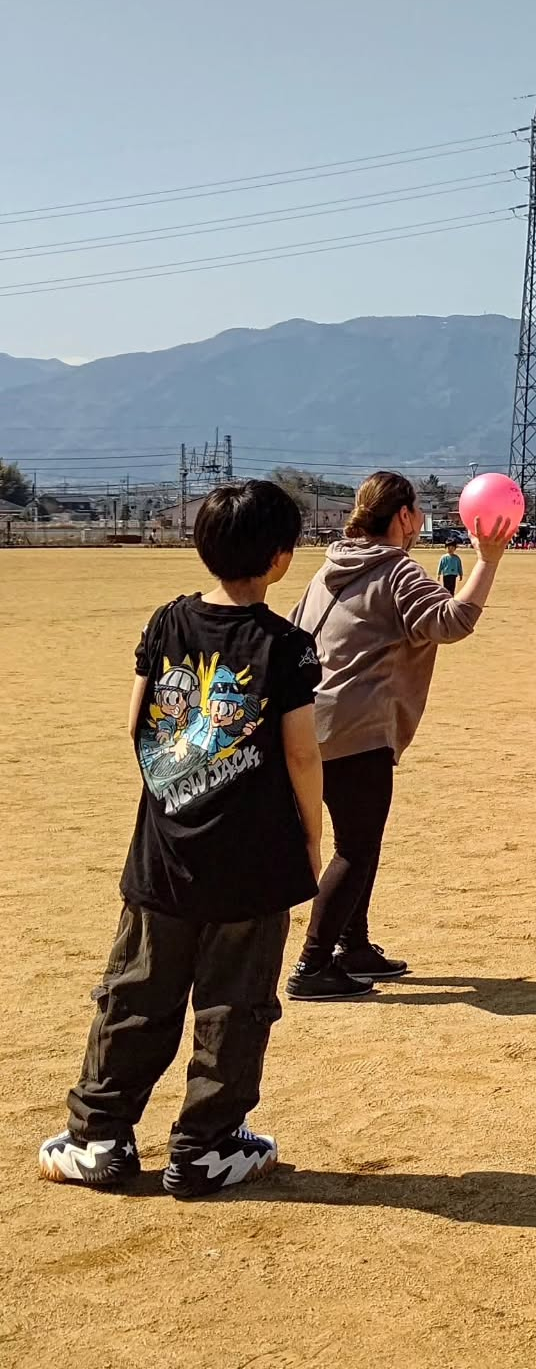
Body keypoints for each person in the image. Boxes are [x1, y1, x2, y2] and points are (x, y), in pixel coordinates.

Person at [39, 480, 321, 1197]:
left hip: (164, 852)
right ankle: (206, 1146)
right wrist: (309, 840)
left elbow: (135, 724)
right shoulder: (284, 644)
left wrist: (179, 786)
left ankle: (99, 1136)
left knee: (137, 993)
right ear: (282, 559)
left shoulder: (167, 623)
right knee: (235, 1004)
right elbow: (300, 754)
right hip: (253, 862)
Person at [286, 471, 512, 1001]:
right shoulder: (395, 570)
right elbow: (452, 622)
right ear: (404, 517)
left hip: (311, 721)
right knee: (357, 849)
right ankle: (312, 966)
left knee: (359, 842)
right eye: (417, 512)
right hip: (359, 728)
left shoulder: (329, 567)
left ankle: (354, 945)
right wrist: (489, 560)